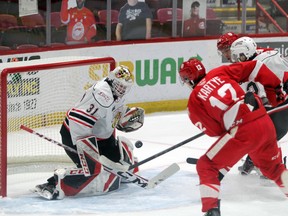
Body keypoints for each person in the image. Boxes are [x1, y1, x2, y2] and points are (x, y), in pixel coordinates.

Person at [178, 58, 288, 216]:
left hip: (242, 131)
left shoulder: (194, 102)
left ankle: (211, 211)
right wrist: (274, 92)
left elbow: (214, 131)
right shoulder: (220, 72)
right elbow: (256, 67)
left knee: (206, 165)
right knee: (275, 169)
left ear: (189, 79)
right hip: (264, 120)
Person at [33, 65, 145, 200]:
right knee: (93, 171)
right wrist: (90, 153)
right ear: (111, 80)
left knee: (118, 163)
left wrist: (124, 120)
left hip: (100, 137)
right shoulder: (102, 95)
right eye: (120, 86)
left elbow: (111, 116)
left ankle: (102, 165)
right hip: (76, 135)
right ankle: (53, 183)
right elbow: (78, 120)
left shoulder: (116, 94)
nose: (122, 90)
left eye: (125, 87)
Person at [230, 36, 288, 175]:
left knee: (267, 136)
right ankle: (255, 162)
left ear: (247, 53)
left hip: (282, 106)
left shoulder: (265, 61)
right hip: (275, 104)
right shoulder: (255, 60)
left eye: (240, 55)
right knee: (259, 134)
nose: (237, 59)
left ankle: (273, 167)